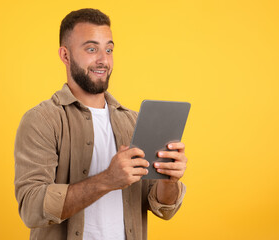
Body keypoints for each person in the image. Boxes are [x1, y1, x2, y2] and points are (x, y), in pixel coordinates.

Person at [14, 8, 188, 240]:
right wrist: (107, 180)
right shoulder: (42, 120)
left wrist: (170, 180)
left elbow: (161, 207)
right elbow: (31, 207)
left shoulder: (132, 122)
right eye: (91, 49)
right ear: (65, 55)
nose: (103, 60)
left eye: (109, 49)